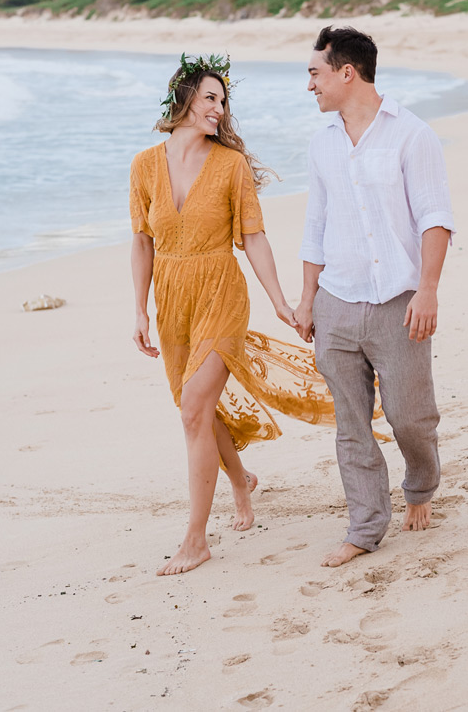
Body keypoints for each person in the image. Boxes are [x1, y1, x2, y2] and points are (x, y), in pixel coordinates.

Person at [130, 54, 334, 576]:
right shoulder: (144, 166)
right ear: (182, 101)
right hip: (171, 298)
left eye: (223, 102)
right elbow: (142, 242)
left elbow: (253, 237)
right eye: (210, 99)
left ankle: (195, 540)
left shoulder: (230, 166)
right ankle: (240, 480)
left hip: (220, 291)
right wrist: (139, 309)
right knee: (195, 408)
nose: (219, 110)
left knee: (194, 409)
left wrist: (280, 300)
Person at [293, 26, 455, 569]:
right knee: (351, 424)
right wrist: (306, 298)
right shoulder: (321, 144)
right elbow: (316, 225)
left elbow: (435, 218)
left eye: (315, 73)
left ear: (347, 72)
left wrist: (427, 290)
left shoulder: (412, 135)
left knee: (411, 417)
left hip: (397, 300)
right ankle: (364, 527)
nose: (309, 84)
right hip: (336, 301)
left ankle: (422, 483)